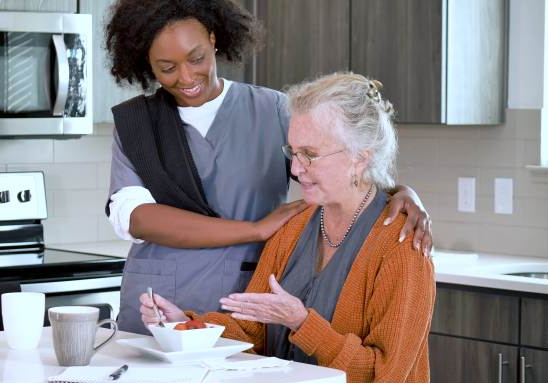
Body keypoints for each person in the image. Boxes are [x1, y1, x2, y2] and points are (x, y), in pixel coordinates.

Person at [105, 0, 433, 334]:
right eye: (167, 67)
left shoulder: (273, 109)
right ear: (146, 61)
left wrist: (401, 192)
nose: (187, 76)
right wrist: (257, 229)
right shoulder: (136, 124)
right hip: (157, 306)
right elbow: (138, 219)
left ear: (214, 40)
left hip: (243, 297)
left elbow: (336, 160)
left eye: (197, 58)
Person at [139, 73, 436, 383]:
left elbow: (386, 376)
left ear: (359, 159)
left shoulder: (402, 246)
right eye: (292, 152)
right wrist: (187, 327)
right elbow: (250, 331)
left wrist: (302, 322)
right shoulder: (293, 227)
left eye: (309, 154)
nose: (295, 169)